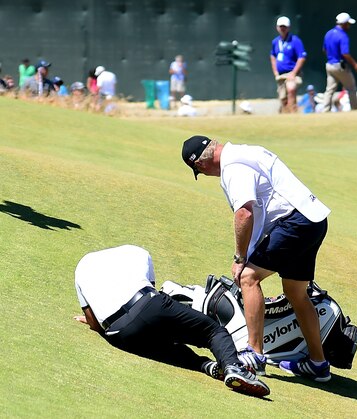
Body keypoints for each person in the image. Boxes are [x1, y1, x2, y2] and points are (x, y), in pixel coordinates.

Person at [181, 135, 333, 382]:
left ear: (200, 164)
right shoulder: (246, 151)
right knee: (296, 292)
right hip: (313, 220)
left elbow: (244, 213)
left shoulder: (232, 169)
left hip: (295, 222)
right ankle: (318, 364)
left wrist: (240, 258)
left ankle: (255, 356)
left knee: (249, 277)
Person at [73, 244, 270, 397]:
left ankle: (206, 366)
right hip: (148, 304)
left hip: (118, 332)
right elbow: (152, 292)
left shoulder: (81, 266)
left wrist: (95, 322)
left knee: (163, 346)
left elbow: (93, 321)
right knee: (213, 331)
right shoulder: (138, 252)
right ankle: (233, 367)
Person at [322, 12, 357, 112]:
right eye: (348, 24)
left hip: (329, 65)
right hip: (340, 66)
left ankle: (325, 110)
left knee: (329, 90)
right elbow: (345, 53)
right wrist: (355, 64)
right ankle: (355, 109)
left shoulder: (328, 33)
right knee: (351, 88)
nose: (349, 26)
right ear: (344, 24)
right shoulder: (343, 36)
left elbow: (324, 50)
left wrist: (331, 58)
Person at [270, 16, 307, 113]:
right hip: (281, 75)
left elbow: (302, 57)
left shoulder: (295, 40)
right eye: (281, 26)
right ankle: (286, 113)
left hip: (292, 73)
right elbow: (273, 56)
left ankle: (292, 113)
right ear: (277, 27)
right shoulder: (275, 42)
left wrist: (294, 73)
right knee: (283, 98)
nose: (282, 29)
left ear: (289, 28)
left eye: (284, 27)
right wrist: (275, 71)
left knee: (291, 89)